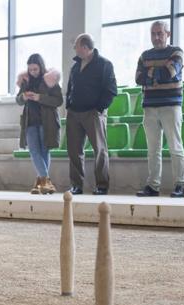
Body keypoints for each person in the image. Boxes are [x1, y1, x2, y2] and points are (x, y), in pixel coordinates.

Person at [135, 21, 184, 198]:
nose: (156, 37)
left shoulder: (176, 52)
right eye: (153, 34)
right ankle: (153, 186)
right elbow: (138, 78)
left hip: (171, 105)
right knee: (153, 149)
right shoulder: (144, 55)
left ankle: (181, 185)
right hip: (150, 107)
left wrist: (150, 73)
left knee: (175, 146)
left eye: (160, 33)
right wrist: (157, 73)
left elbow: (170, 72)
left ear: (168, 34)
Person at [65, 34, 117, 195]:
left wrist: (99, 109)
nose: (74, 48)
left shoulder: (104, 64)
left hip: (93, 113)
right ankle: (76, 185)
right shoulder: (75, 66)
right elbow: (69, 88)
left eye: (76, 46)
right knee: (74, 151)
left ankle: (102, 185)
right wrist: (68, 105)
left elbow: (111, 89)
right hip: (74, 113)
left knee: (100, 150)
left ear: (86, 47)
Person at [16, 54, 63, 194]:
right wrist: (23, 97)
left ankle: (40, 182)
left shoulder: (49, 79)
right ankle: (46, 181)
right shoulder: (25, 80)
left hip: (46, 122)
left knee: (44, 151)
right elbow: (18, 100)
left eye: (35, 69)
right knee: (34, 151)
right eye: (30, 69)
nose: (33, 72)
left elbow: (58, 100)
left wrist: (39, 98)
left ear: (41, 67)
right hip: (29, 122)